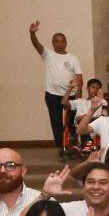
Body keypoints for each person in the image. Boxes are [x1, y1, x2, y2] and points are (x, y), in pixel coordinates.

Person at [28, 22, 82, 154]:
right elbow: (37, 45)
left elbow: (79, 76)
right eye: (57, 41)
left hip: (71, 95)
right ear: (53, 43)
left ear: (66, 42)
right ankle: (61, 148)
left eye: (62, 41)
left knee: (71, 122)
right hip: (52, 95)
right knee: (56, 123)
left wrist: (79, 93)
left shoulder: (73, 58)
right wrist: (32, 33)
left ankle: (73, 147)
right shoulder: (48, 55)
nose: (60, 43)